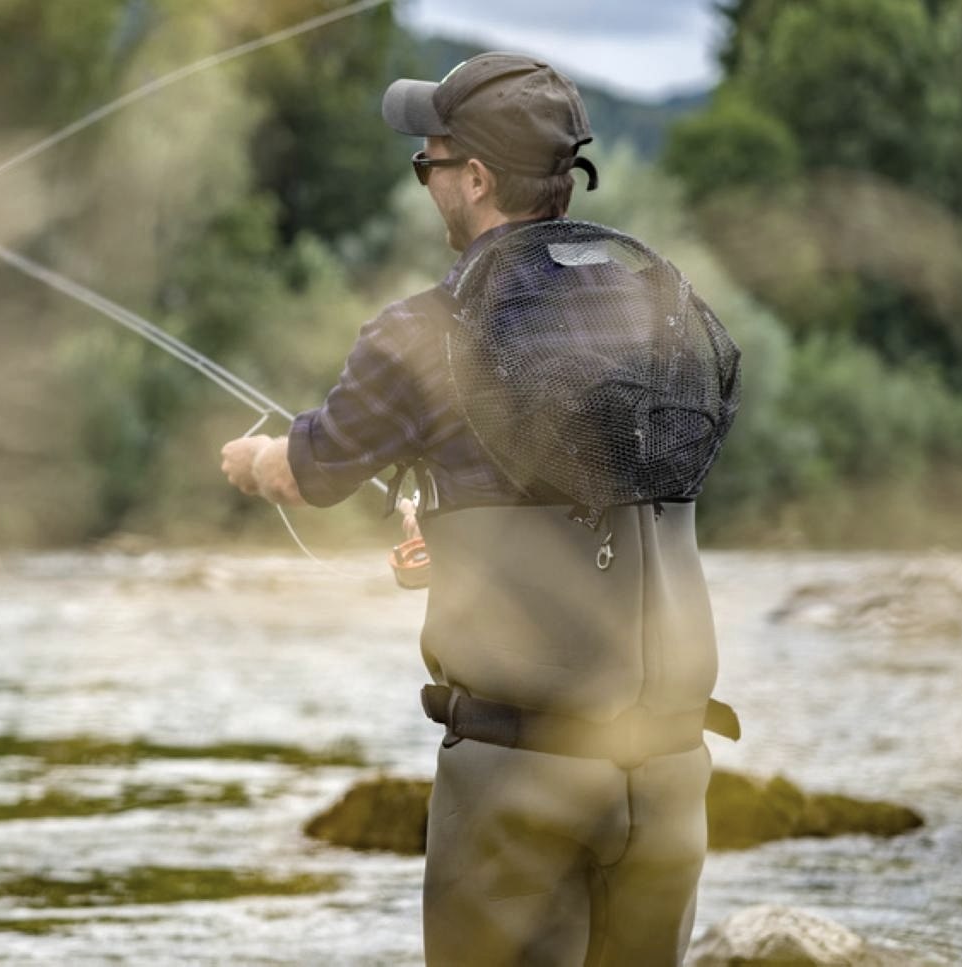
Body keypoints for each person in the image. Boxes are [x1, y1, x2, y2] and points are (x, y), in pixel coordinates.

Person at [221, 53, 739, 966]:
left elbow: (314, 471)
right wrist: (453, 536)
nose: (423, 177)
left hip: (521, 777)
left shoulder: (426, 332)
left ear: (475, 179)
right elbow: (582, 495)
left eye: (429, 159)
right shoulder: (650, 313)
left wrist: (260, 458)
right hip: (667, 775)